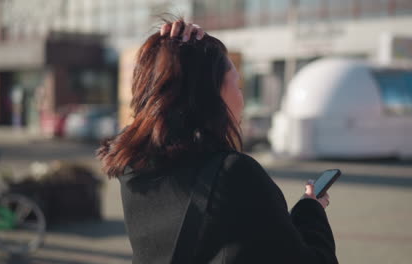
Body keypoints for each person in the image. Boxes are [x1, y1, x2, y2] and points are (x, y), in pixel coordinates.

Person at [97, 20, 338, 264]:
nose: (242, 98)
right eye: (238, 85)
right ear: (210, 94)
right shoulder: (233, 174)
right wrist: (311, 211)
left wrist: (167, 54)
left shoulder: (133, 167)